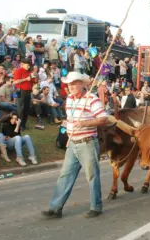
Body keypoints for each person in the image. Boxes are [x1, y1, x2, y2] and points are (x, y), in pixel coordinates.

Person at [42, 71, 108, 219]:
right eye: (69, 84)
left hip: (87, 142)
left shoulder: (92, 99)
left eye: (73, 83)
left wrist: (84, 123)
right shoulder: (70, 99)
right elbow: (70, 119)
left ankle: (96, 207)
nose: (70, 86)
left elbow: (103, 119)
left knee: (92, 176)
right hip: (72, 143)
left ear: (82, 84)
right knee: (65, 175)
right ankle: (55, 208)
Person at [13, 58, 37, 131]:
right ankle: (18, 124)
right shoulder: (19, 71)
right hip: (21, 91)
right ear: (23, 64)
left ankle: (23, 124)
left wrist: (34, 77)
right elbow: (15, 82)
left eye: (29, 65)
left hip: (28, 91)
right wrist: (26, 79)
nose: (28, 67)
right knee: (20, 109)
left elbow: (34, 81)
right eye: (27, 65)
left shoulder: (30, 71)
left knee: (26, 109)